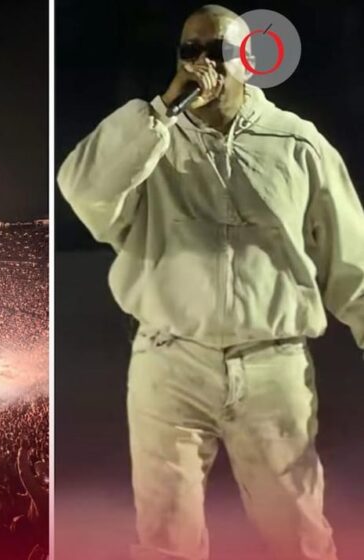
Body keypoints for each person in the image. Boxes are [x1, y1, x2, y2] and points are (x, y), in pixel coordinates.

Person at [57, 4, 360, 560]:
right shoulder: (151, 138)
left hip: (271, 365)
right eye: (189, 50)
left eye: (217, 50)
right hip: (170, 360)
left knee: (299, 535)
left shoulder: (296, 143)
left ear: (249, 60)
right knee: (166, 541)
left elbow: (351, 256)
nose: (202, 63)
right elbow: (82, 187)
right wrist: (160, 113)